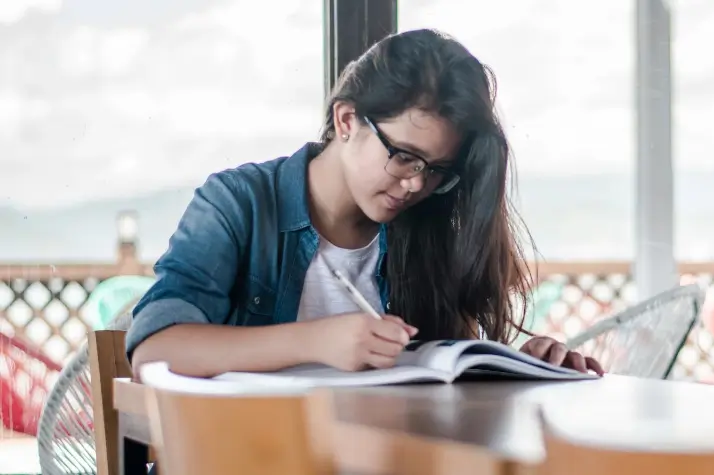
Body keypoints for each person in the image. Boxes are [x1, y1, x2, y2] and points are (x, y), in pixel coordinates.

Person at [126, 28, 604, 379]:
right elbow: (155, 349)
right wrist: (316, 340)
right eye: (404, 157)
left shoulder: (425, 225)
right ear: (348, 119)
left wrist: (525, 365)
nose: (416, 185)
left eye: (436, 169)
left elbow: (446, 376)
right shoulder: (239, 203)